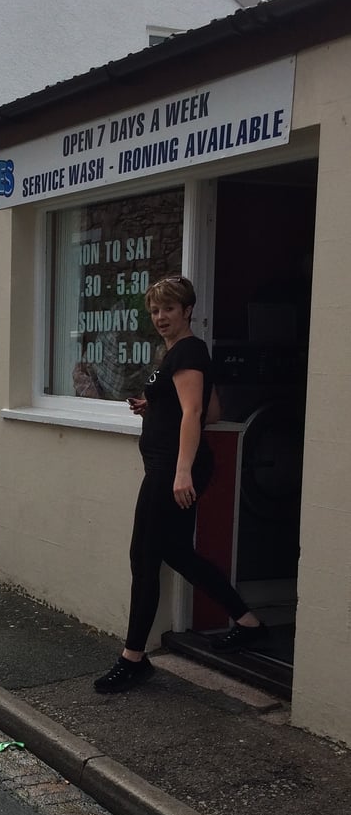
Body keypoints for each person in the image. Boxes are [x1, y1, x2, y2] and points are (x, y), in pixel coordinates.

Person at [94, 275, 268, 694]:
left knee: (143, 558)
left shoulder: (188, 351)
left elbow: (194, 416)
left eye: (169, 309)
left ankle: (133, 659)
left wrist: (182, 471)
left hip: (171, 469)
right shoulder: (178, 352)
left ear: (187, 310)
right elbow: (211, 410)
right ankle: (248, 623)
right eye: (155, 310)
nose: (161, 317)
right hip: (167, 466)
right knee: (175, 553)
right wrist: (154, 406)